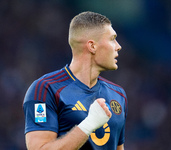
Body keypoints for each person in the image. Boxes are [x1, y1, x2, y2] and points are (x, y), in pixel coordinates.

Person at [23, 11, 128, 150]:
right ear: (92, 46)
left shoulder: (118, 95)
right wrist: (89, 124)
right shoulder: (45, 89)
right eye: (112, 39)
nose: (118, 46)